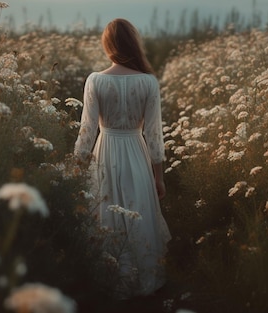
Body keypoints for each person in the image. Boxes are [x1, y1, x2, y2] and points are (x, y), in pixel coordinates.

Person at [74, 18, 171, 299]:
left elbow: (86, 131)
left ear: (109, 45)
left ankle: (110, 278)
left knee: (106, 211)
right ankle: (143, 281)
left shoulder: (96, 80)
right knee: (137, 211)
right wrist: (159, 176)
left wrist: (77, 167)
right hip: (137, 153)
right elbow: (154, 134)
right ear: (133, 44)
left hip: (106, 151)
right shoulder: (148, 82)